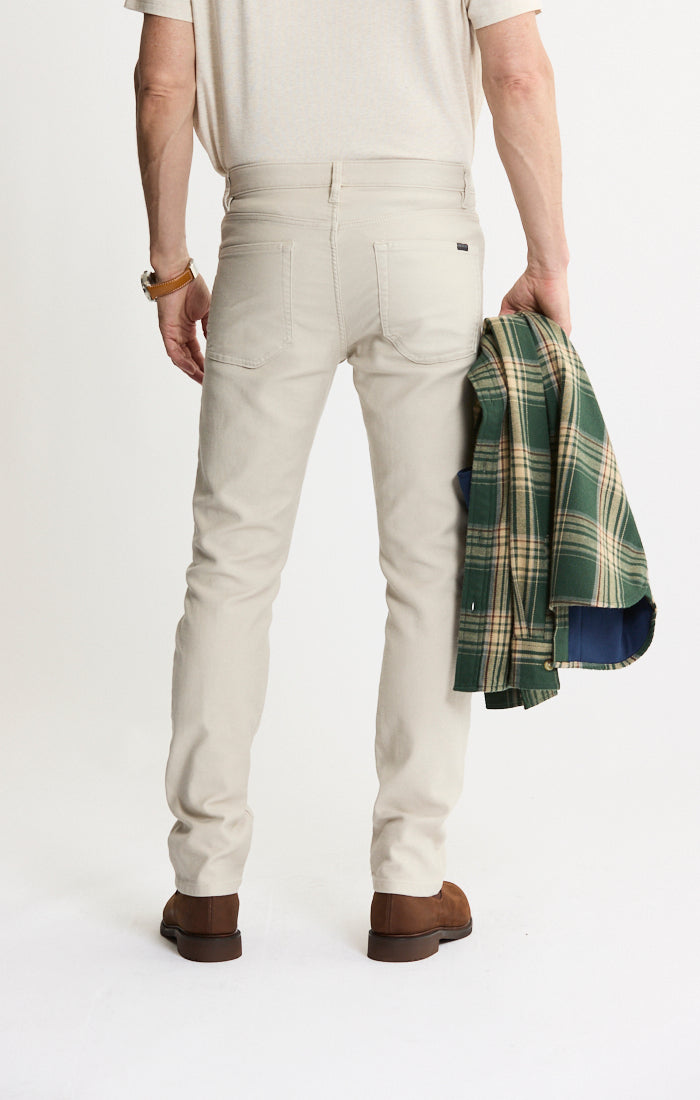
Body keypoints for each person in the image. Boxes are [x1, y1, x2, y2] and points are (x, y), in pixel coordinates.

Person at [125, 0, 570, 963]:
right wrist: (549, 260)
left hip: (267, 235)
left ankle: (205, 884)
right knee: (430, 569)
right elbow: (518, 74)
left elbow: (163, 83)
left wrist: (169, 269)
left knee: (231, 565)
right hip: (425, 238)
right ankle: (408, 881)